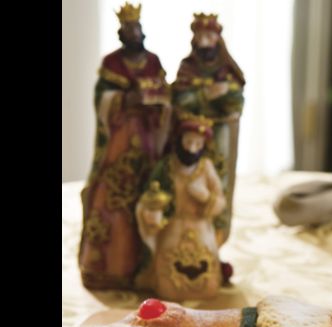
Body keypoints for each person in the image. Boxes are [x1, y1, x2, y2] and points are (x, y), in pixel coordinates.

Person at [78, 2, 172, 289]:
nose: (134, 33)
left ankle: (146, 267)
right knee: (111, 200)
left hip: (146, 139)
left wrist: (154, 101)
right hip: (119, 139)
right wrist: (122, 100)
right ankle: (108, 267)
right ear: (121, 33)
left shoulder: (153, 61)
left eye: (137, 28)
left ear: (142, 32)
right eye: (128, 29)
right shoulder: (112, 64)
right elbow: (102, 99)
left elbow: (165, 95)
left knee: (148, 196)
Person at [172, 13, 245, 246]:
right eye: (200, 36)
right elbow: (179, 99)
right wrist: (206, 95)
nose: (204, 42)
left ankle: (216, 230)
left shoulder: (228, 70)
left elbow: (235, 103)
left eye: (209, 36)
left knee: (216, 178)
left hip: (219, 133)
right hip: (190, 135)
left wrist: (225, 95)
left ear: (217, 39)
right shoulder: (187, 68)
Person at [135, 114, 226, 301]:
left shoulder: (206, 167)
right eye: (189, 142)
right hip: (174, 227)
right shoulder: (166, 167)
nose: (192, 148)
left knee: (206, 275)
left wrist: (206, 197)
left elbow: (221, 201)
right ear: (180, 140)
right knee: (168, 277)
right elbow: (149, 196)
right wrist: (151, 211)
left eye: (197, 144)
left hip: (200, 227)